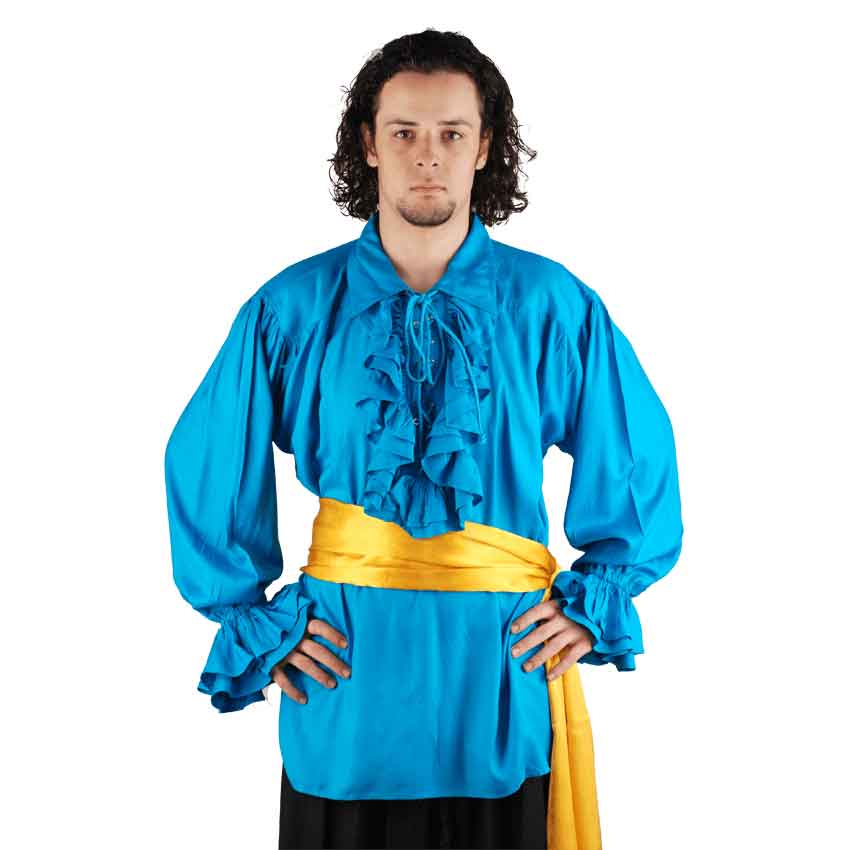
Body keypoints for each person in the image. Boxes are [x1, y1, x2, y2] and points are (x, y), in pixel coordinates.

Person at [164, 28, 684, 850]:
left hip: (502, 672)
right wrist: (250, 618)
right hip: (347, 682)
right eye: (404, 132)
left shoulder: (554, 306)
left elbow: (636, 460)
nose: (427, 156)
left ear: (486, 148)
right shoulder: (291, 307)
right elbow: (208, 462)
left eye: (451, 133)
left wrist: (595, 603)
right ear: (369, 144)